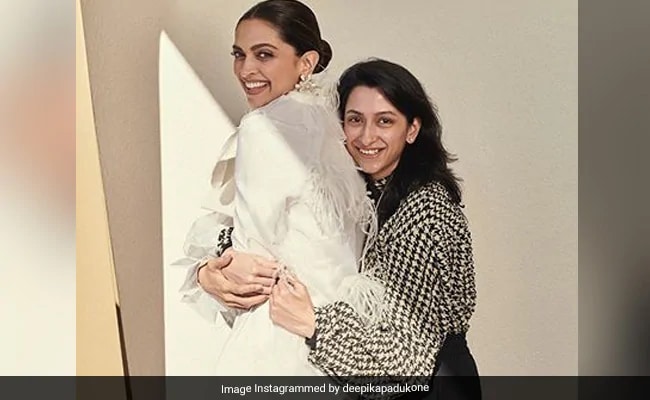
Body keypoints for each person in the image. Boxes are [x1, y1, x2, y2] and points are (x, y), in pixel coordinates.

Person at [199, 59, 479, 396]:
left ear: (412, 129)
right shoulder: (359, 191)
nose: (367, 136)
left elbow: (405, 365)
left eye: (385, 121)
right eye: (355, 119)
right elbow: (298, 235)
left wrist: (314, 323)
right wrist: (221, 263)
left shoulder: (426, 214)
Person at [175, 0, 378, 376]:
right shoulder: (334, 125)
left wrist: (209, 272)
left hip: (279, 339)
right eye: (239, 54)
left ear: (306, 62)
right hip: (337, 343)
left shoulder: (264, 128)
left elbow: (248, 265)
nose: (246, 69)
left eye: (264, 54)